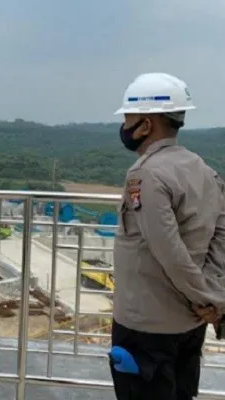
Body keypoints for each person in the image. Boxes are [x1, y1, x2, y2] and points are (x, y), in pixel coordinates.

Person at [110, 72, 225, 399]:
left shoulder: (145, 174)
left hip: (147, 329)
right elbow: (221, 236)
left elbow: (168, 251)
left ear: (146, 125)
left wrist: (207, 299)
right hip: (190, 325)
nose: (125, 126)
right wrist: (213, 297)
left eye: (129, 118)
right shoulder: (203, 168)